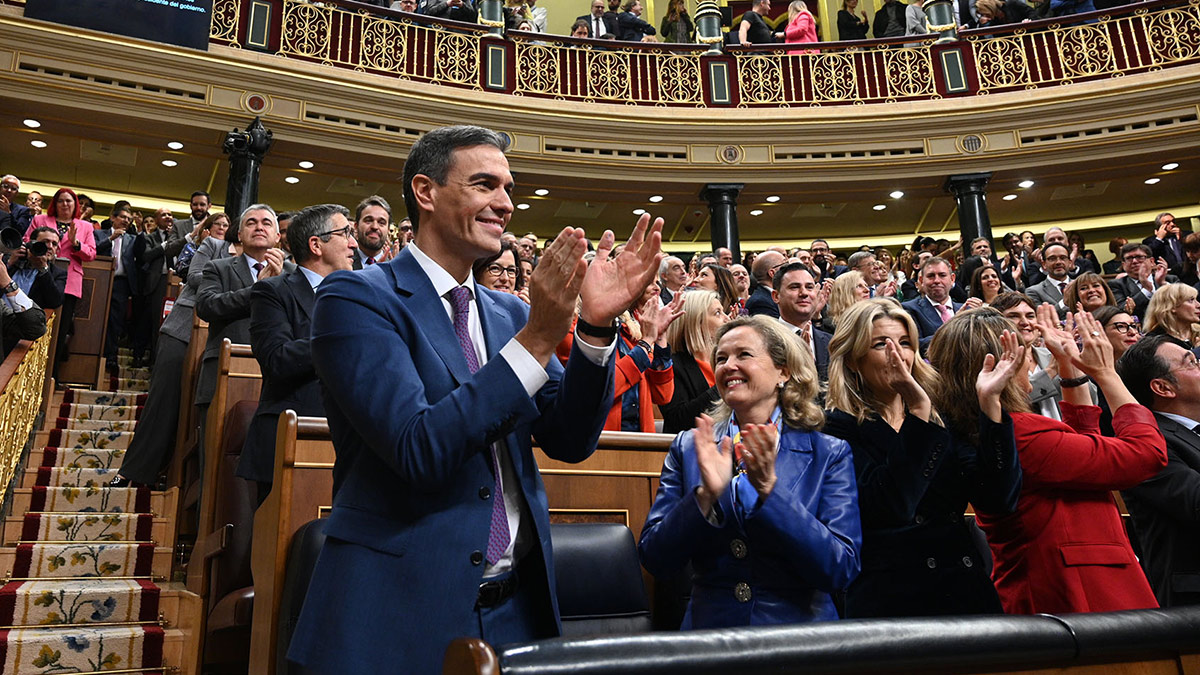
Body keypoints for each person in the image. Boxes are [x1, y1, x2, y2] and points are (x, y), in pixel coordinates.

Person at [288, 125, 664, 673]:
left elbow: (569, 438)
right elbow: (419, 447)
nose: (506, 204)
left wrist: (594, 329)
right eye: (485, 185)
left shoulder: (508, 312)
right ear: (426, 192)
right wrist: (538, 337)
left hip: (517, 610)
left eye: (509, 188)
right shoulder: (356, 298)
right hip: (396, 611)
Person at [639, 316, 862, 627]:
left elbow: (840, 569)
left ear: (783, 371)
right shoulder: (689, 447)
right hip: (710, 637)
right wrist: (705, 498)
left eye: (743, 354)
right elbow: (655, 559)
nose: (728, 365)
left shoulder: (828, 453)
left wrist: (770, 491)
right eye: (721, 357)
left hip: (799, 639)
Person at [824, 300, 1023, 617]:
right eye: (880, 344)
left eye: (905, 343)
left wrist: (990, 404)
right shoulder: (836, 428)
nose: (897, 354)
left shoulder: (940, 418)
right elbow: (891, 507)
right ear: (852, 360)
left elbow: (998, 500)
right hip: (892, 602)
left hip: (964, 593)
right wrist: (917, 410)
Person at [975, 306, 1164, 614]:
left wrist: (1067, 362)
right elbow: (1146, 454)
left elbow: (1084, 442)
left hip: (1082, 583)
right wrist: (1106, 374)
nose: (1031, 363)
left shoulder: (1006, 426)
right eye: (1023, 354)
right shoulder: (1021, 433)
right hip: (1078, 591)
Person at [239, 204, 357, 506]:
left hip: (355, 441)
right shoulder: (272, 292)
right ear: (316, 245)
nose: (353, 243)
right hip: (292, 438)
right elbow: (277, 360)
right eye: (345, 233)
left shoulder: (362, 295)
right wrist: (342, 335)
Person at [110, 216, 234, 489]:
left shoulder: (271, 266)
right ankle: (135, 471)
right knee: (163, 402)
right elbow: (193, 276)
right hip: (182, 330)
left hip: (222, 342)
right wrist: (234, 273)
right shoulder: (213, 246)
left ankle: (175, 476)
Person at [1117, 333, 1200, 607]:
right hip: (1190, 608)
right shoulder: (1150, 444)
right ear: (1163, 388)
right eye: (1191, 363)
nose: (1199, 366)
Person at [28, 188, 95, 382]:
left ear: (75, 205)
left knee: (59, 332)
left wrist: (75, 244)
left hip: (69, 283)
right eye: (61, 201)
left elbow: (90, 254)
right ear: (54, 204)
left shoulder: (84, 226)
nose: (65, 204)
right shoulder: (40, 221)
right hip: (38, 276)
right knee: (31, 323)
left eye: (69, 201)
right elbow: (26, 241)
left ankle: (51, 377)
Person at [660, 290, 724, 435]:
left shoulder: (725, 360)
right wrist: (721, 386)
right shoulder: (671, 365)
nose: (727, 319)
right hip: (691, 449)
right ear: (697, 322)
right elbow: (678, 419)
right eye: (718, 313)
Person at [1109, 243, 1175, 322]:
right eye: (1129, 258)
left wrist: (1163, 283)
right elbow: (1121, 310)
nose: (1134, 261)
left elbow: (1184, 300)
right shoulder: (1117, 285)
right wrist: (1146, 290)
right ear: (1123, 265)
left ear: (1152, 261)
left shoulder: (1170, 280)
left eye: (1139, 257)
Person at [1143, 283, 1200, 349]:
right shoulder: (1153, 343)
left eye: (1196, 300)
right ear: (1172, 306)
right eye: (1191, 300)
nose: (1198, 305)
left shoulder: (1197, 332)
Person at [820, 269, 869, 333]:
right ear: (845, 292)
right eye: (859, 286)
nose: (867, 290)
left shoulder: (874, 320)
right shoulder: (829, 326)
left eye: (866, 285)